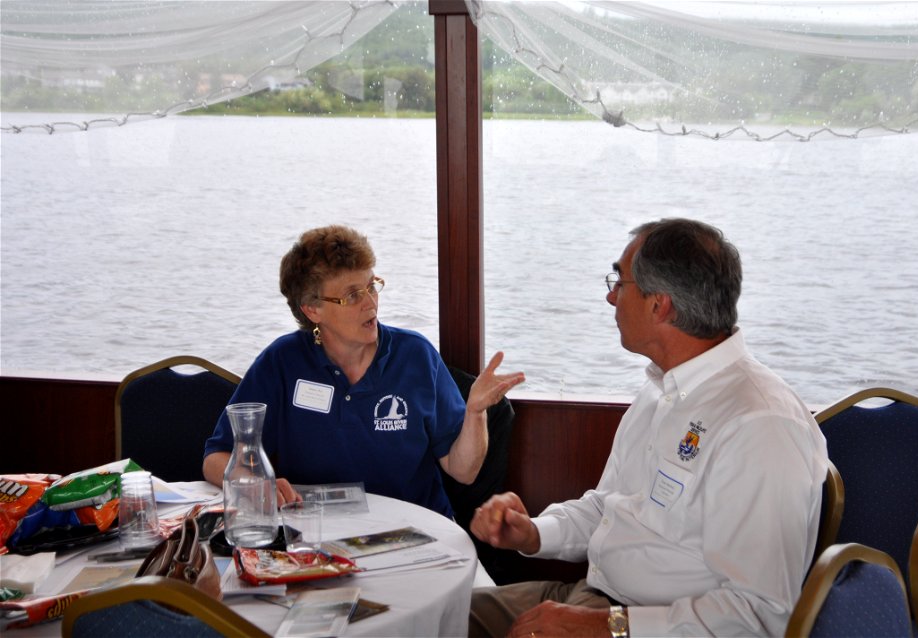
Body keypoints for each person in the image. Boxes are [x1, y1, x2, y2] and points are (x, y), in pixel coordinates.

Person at [469, 218, 828, 637]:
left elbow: (757, 614)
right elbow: (607, 507)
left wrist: (610, 627)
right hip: (595, 598)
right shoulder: (662, 389)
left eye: (620, 283)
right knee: (432, 618)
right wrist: (532, 533)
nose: (610, 296)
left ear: (660, 305)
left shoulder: (761, 426)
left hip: (639, 624)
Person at [203, 225, 524, 516]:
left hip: (414, 532)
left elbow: (463, 470)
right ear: (312, 309)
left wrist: (476, 413)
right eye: (353, 295)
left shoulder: (415, 355)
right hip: (313, 536)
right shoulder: (281, 362)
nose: (370, 303)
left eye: (372, 286)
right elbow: (217, 458)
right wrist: (258, 486)